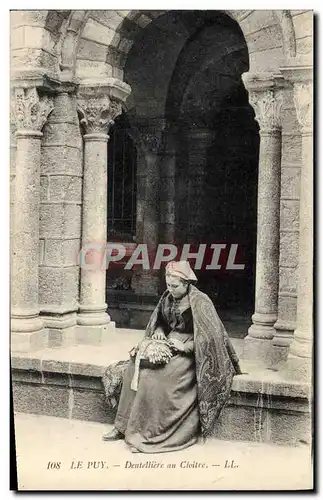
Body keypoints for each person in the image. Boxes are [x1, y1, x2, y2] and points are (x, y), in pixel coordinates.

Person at [102, 260, 241, 453]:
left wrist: (184, 347)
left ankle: (150, 435)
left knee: (156, 378)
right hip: (168, 343)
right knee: (134, 368)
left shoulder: (201, 302)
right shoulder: (167, 298)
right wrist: (159, 332)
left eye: (175, 286)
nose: (170, 289)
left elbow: (211, 339)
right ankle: (122, 426)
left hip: (193, 353)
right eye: (168, 285)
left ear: (186, 284)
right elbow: (159, 321)